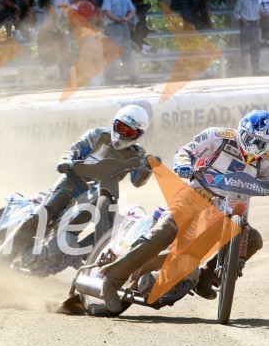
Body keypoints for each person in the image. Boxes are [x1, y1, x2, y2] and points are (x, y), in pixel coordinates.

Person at [99, 111, 269, 313]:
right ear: (242, 131)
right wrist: (183, 165)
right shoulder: (219, 136)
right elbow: (185, 151)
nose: (255, 148)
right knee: (163, 233)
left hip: (228, 209)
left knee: (253, 240)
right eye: (251, 140)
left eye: (262, 144)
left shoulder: (265, 159)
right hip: (194, 196)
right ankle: (112, 280)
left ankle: (206, 278)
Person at [5, 105, 152, 261]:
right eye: (120, 127)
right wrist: (66, 161)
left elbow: (137, 181)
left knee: (115, 225)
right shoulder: (97, 135)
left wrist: (148, 168)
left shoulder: (138, 153)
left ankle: (87, 259)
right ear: (114, 123)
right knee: (44, 213)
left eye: (129, 132)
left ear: (138, 135)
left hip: (102, 193)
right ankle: (4, 255)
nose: (122, 133)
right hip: (72, 183)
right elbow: (73, 150)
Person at [102, 0, 136, 84]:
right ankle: (134, 78)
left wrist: (117, 19)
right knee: (127, 54)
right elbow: (132, 10)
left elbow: (107, 11)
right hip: (124, 27)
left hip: (113, 27)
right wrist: (125, 19)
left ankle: (110, 81)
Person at [234, 0, 264, 75]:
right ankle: (245, 70)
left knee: (256, 49)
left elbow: (258, 10)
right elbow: (236, 12)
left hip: (255, 25)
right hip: (246, 25)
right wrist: (243, 21)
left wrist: (259, 19)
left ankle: (256, 69)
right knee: (245, 49)